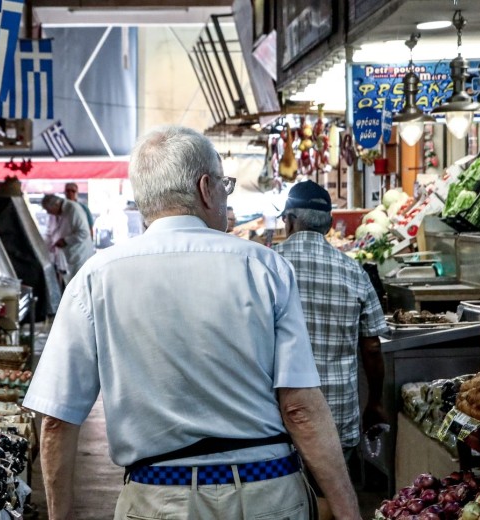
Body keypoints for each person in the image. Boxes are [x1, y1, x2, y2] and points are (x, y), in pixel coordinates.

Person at [24, 126, 359, 520]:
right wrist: (348, 511)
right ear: (205, 188)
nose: (225, 196)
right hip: (266, 491)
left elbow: (57, 423)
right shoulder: (264, 266)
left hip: (158, 497)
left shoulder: (95, 277)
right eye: (225, 185)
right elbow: (300, 408)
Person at [274, 181, 387, 519]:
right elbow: (371, 346)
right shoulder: (353, 271)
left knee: (285, 505)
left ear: (291, 220)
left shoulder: (267, 265)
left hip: (275, 417)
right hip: (337, 417)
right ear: (326, 223)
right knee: (335, 502)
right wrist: (375, 402)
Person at [41, 193, 96, 284]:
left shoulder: (73, 209)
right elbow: (50, 232)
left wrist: (65, 240)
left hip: (78, 255)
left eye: (49, 210)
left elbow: (84, 233)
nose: (48, 212)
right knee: (69, 285)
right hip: (64, 257)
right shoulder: (54, 214)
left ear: (56, 204)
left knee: (79, 285)